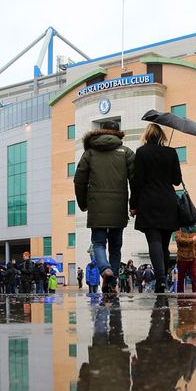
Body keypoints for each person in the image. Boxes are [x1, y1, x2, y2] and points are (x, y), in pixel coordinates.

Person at [74, 120, 135, 295]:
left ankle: (105, 271)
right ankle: (112, 281)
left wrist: (82, 202)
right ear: (118, 133)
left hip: (96, 206)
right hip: (118, 206)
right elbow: (135, 180)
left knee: (99, 243)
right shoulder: (126, 153)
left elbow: (79, 180)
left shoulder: (90, 153)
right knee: (115, 247)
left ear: (100, 132)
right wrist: (133, 204)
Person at [129, 124, 182, 293]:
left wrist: (133, 205)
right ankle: (163, 278)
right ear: (162, 136)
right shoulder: (171, 152)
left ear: (147, 135)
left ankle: (160, 280)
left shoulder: (142, 152)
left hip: (148, 202)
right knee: (164, 244)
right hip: (168, 202)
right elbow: (177, 180)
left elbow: (137, 181)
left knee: (154, 241)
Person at [175, 224, 196, 293]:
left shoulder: (195, 228)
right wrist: (191, 240)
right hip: (182, 258)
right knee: (180, 279)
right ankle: (180, 297)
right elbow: (178, 239)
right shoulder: (179, 228)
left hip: (193, 258)